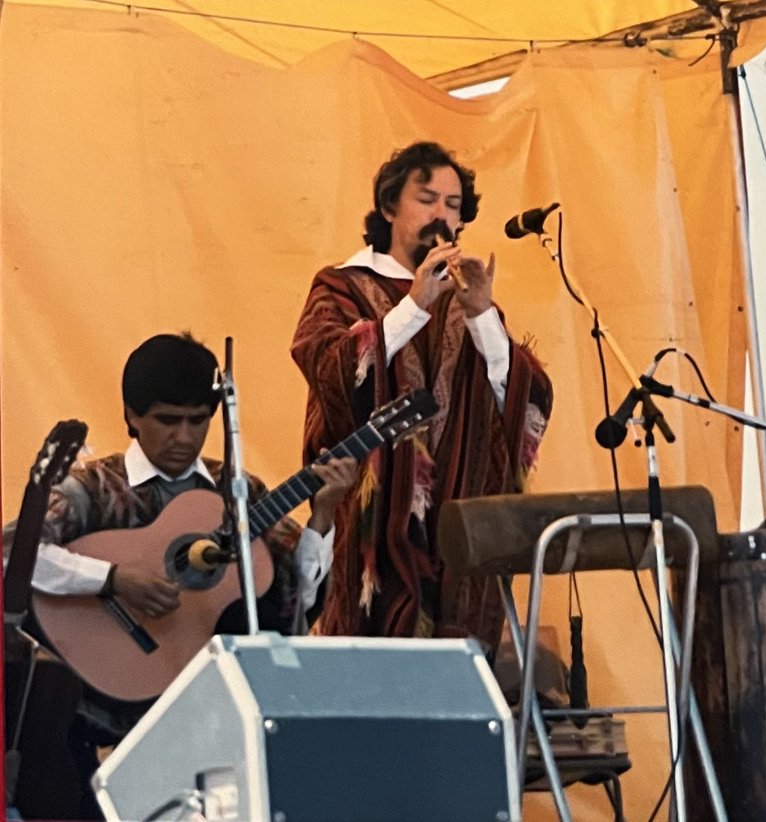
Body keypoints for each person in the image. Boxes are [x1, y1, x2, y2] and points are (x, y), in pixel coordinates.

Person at [4, 332, 357, 819]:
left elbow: (299, 596)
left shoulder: (237, 492)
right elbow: (13, 553)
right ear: (132, 415)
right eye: (168, 421)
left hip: (210, 723)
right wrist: (110, 578)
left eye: (198, 421)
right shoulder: (95, 488)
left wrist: (322, 518)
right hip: (97, 720)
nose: (185, 437)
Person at [291, 141, 553, 648]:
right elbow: (328, 369)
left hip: (458, 542)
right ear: (390, 207)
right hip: (372, 535)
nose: (441, 215)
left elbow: (526, 405)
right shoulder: (340, 286)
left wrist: (480, 314)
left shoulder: (472, 305)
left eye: (453, 206)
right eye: (427, 199)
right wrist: (412, 307)